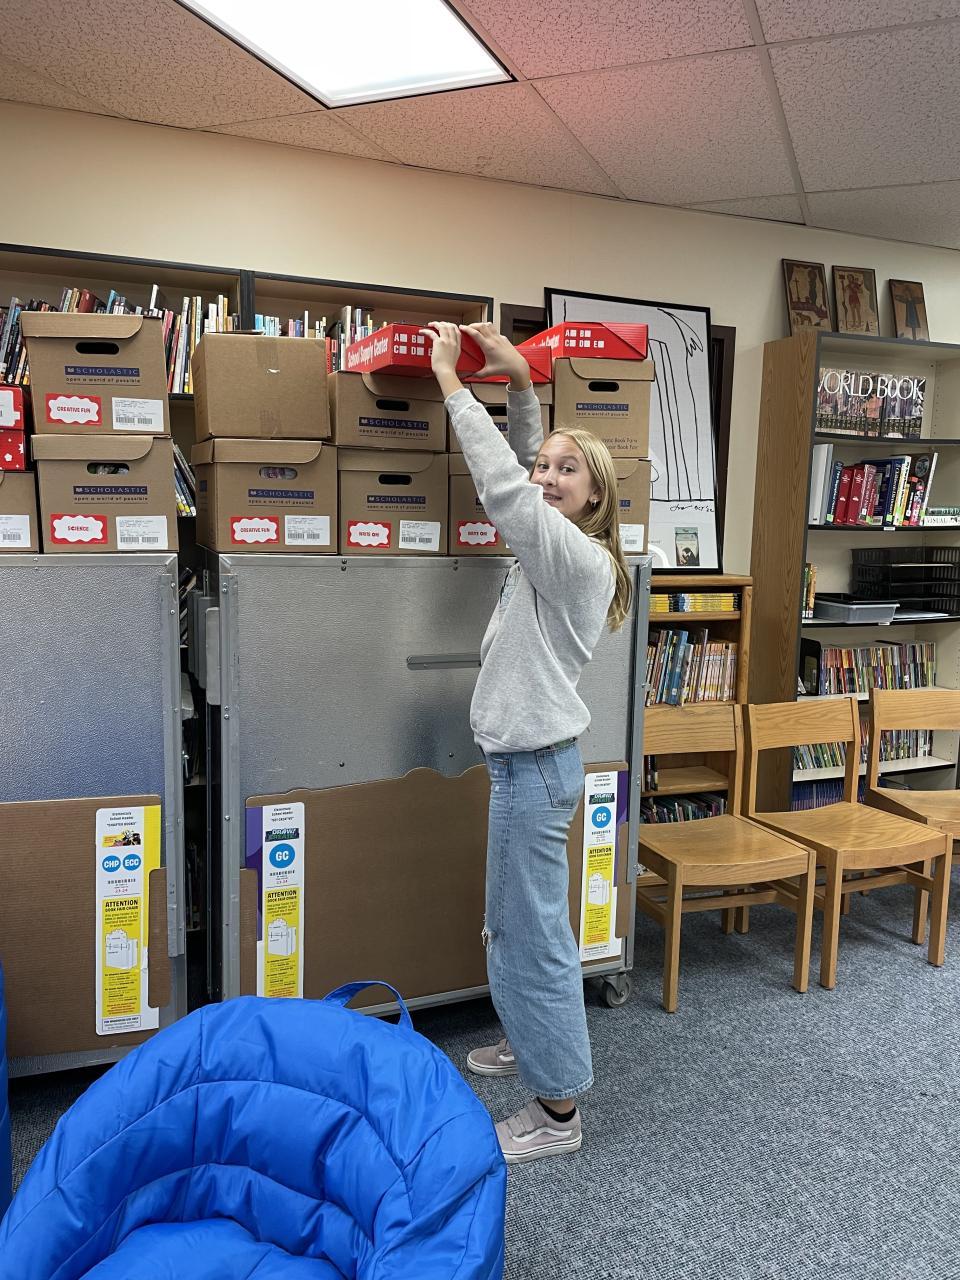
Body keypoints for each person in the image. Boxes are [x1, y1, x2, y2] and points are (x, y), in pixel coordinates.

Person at [421, 320, 632, 1165]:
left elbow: (504, 485)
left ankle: (555, 1111)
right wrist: (517, 384)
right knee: (518, 924)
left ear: (596, 494)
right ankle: (529, 1040)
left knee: (529, 940)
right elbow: (523, 474)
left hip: (535, 772)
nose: (546, 476)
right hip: (533, 769)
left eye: (566, 469)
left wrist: (451, 381)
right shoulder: (564, 547)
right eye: (544, 464)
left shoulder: (573, 558)